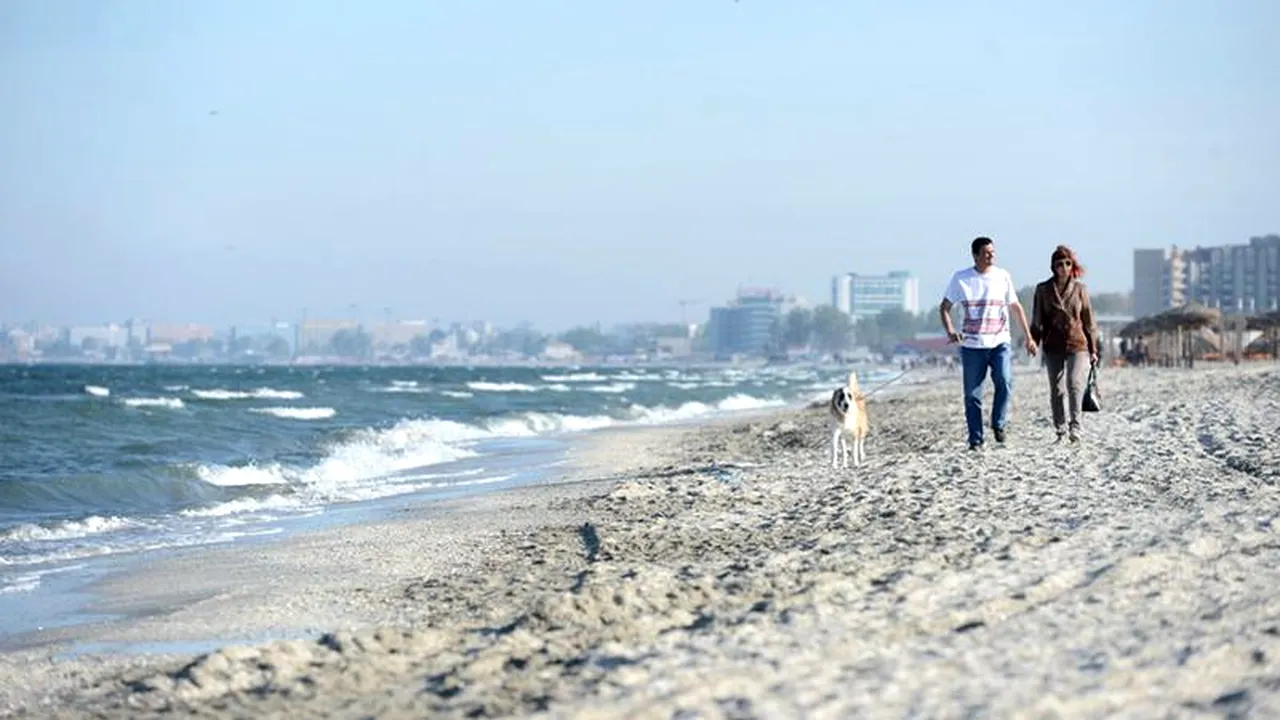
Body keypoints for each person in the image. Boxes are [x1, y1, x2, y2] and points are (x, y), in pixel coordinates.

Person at [939, 237, 1037, 450]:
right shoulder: (961, 278)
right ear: (975, 256)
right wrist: (950, 331)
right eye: (986, 253)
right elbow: (944, 307)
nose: (991, 256)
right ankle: (976, 440)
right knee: (972, 395)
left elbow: (1016, 307)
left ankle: (998, 423)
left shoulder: (1002, 276)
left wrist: (1029, 337)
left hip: (999, 342)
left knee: (1005, 381)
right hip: (972, 345)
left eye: (993, 252)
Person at [1029, 245, 1097, 443]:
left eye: (1068, 264)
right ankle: (1060, 428)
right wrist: (1034, 341)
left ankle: (1076, 426)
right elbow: (1037, 320)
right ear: (1053, 267)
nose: (1064, 268)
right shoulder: (1043, 290)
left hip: (1078, 344)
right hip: (1053, 344)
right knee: (1056, 388)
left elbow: (1089, 321)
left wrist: (1093, 349)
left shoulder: (1080, 290)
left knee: (1074, 383)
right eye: (1060, 264)